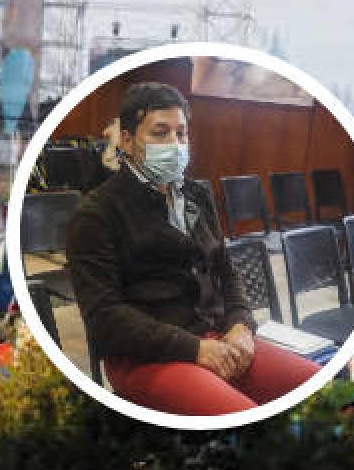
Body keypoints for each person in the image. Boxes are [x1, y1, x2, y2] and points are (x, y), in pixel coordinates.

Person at [66, 82, 320, 416]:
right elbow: (105, 317)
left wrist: (242, 326)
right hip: (146, 355)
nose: (174, 144)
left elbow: (226, 271)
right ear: (127, 141)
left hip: (215, 336)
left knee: (321, 393)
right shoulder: (96, 212)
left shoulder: (197, 195)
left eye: (181, 134)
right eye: (160, 133)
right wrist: (194, 349)